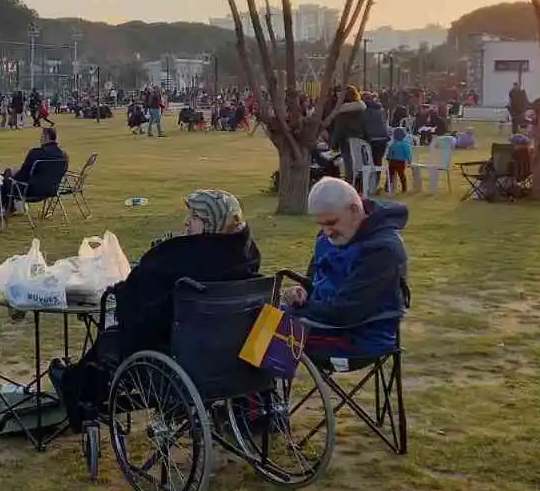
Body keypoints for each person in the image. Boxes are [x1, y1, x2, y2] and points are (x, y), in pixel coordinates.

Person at [53, 189, 260, 429]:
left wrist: (126, 297)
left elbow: (139, 302)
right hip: (235, 355)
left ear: (211, 222)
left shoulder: (179, 257)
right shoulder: (247, 255)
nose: (186, 222)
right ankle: (74, 383)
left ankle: (75, 389)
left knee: (111, 340)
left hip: (178, 357)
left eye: (194, 217)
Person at [282, 177, 409, 357]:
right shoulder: (331, 236)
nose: (326, 232)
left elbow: (348, 311)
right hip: (325, 322)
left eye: (331, 223)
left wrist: (299, 310)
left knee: (266, 327)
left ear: (354, 210)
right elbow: (313, 280)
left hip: (357, 335)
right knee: (257, 319)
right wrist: (300, 291)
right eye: (321, 225)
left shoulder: (382, 250)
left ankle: (260, 384)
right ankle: (260, 383)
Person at [0, 126, 67, 220]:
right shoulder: (63, 155)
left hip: (32, 191)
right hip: (52, 190)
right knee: (8, 179)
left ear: (46, 137)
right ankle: (6, 209)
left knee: (6, 180)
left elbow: (23, 175)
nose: (40, 139)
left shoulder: (36, 153)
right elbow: (62, 172)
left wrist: (11, 178)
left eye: (41, 136)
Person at [384, 126, 414, 194]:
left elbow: (389, 154)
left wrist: (388, 159)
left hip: (392, 162)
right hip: (400, 162)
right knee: (402, 175)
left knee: (390, 175)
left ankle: (387, 187)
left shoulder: (392, 144)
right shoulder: (405, 144)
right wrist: (409, 160)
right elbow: (408, 153)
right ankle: (404, 188)